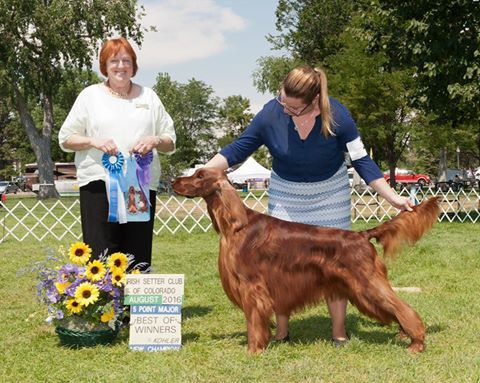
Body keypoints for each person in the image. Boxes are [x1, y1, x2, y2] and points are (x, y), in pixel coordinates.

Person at [205, 65, 413, 346]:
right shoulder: (271, 112)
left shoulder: (337, 115)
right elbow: (238, 148)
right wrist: (203, 174)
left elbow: (361, 160)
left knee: (337, 263)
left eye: (293, 108)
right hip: (287, 193)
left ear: (313, 101)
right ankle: (281, 333)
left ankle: (338, 332)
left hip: (329, 193)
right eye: (283, 102)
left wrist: (393, 197)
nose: (286, 111)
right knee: (279, 266)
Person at [58, 37, 176, 270]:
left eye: (126, 60)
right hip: (98, 183)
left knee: (137, 247)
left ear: (134, 65)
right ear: (105, 66)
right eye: (114, 61)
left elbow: (170, 141)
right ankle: (104, 303)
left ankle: (135, 303)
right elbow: (66, 138)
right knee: (101, 247)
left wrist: (155, 139)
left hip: (139, 185)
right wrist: (93, 140)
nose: (121, 66)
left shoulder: (149, 97)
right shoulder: (89, 96)